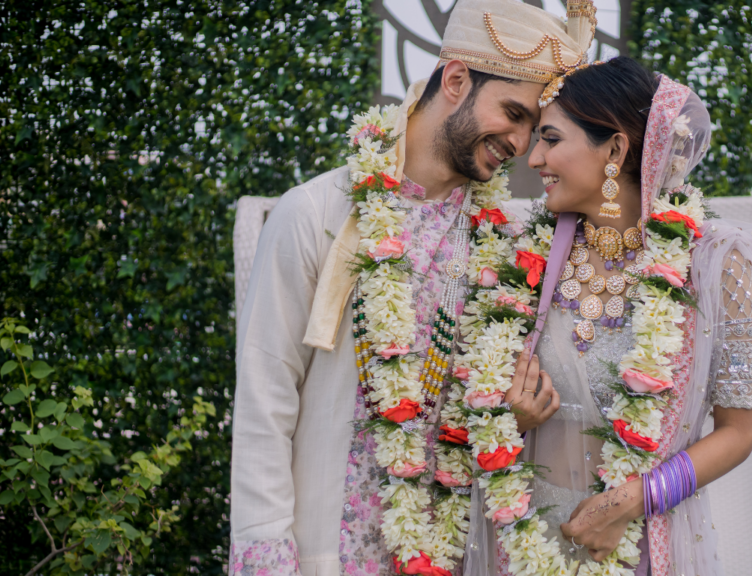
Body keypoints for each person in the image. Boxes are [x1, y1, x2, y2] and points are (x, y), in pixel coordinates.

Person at [228, 2, 598, 575]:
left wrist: (509, 417)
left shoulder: (504, 242)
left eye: (534, 127)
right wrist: (267, 559)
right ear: (455, 79)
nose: (522, 144)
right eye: (513, 113)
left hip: (451, 550)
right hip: (325, 555)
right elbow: (263, 403)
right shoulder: (318, 214)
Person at [490, 56, 752, 574]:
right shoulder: (528, 253)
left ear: (615, 148)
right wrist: (512, 417)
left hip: (636, 540)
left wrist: (629, 502)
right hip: (523, 536)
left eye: (550, 139)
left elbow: (738, 433)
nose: (534, 159)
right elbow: (491, 401)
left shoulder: (717, 261)